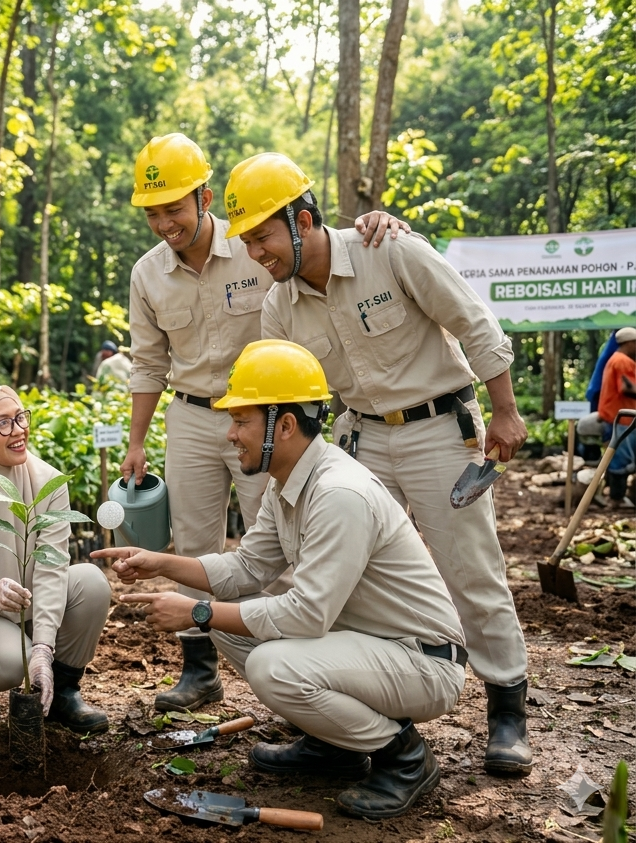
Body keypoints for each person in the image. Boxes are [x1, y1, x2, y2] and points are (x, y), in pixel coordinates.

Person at [226, 151, 532, 775]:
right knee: (337, 573)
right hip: (359, 436)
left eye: (262, 236)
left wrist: (504, 410)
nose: (256, 252)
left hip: (438, 427)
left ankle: (506, 709)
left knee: (470, 567)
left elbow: (472, 322)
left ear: (303, 219)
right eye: (247, 240)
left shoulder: (389, 250)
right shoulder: (279, 307)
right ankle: (336, 728)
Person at [94, 340, 467, 819]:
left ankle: (405, 758)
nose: (230, 434)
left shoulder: (338, 494)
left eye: (241, 420)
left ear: (284, 425)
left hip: (422, 661)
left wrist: (198, 612)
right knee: (230, 627)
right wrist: (160, 562)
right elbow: (246, 568)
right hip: (367, 643)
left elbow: (307, 615)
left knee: (273, 664)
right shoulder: (287, 480)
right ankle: (336, 744)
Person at [122, 133, 408, 713]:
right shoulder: (147, 275)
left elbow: (319, 257)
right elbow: (149, 361)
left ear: (205, 198)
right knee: (196, 539)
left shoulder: (254, 246)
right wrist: (136, 440)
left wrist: (379, 227)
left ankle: (294, 661)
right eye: (152, 213)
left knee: (274, 534)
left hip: (265, 419)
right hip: (192, 415)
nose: (163, 223)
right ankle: (199, 670)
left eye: (173, 208)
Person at [0, 383, 112, 733]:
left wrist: (44, 646)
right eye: (2, 423)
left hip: (35, 599)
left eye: (20, 417)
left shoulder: (48, 482)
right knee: (11, 664)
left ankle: (63, 691)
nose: (18, 430)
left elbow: (52, 566)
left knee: (91, 583)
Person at [597, 326, 636, 506]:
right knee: (620, 459)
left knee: (616, 457)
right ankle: (616, 498)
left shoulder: (615, 359)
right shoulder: (622, 361)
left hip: (616, 417)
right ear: (629, 343)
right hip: (622, 419)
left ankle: (616, 496)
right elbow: (627, 388)